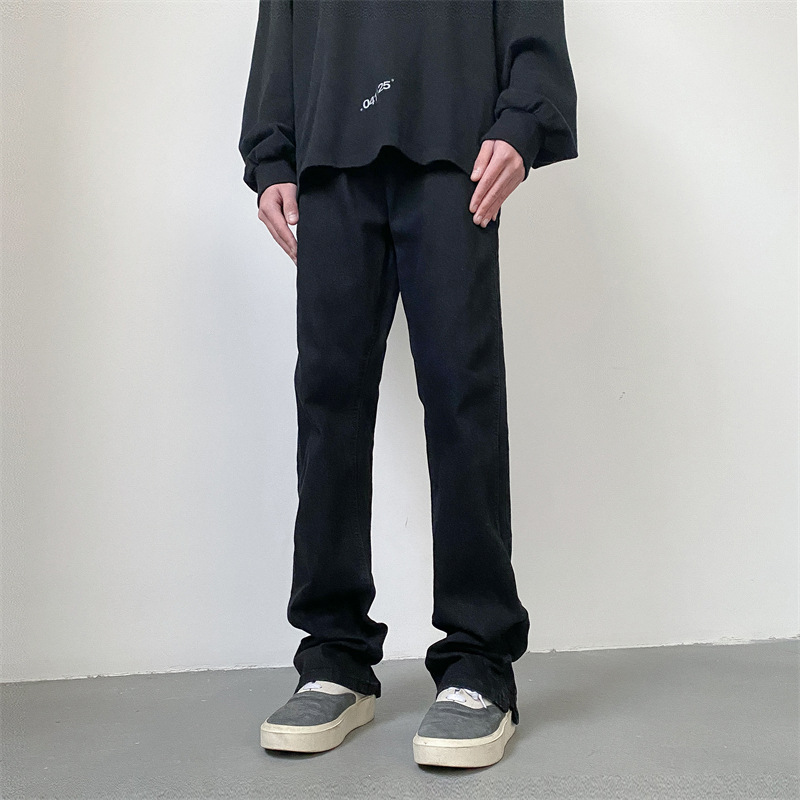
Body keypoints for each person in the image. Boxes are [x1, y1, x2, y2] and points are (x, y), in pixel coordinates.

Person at [238, 0, 578, 769]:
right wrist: (271, 150)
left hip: (454, 144)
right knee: (328, 397)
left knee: (462, 393)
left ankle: (478, 663)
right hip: (331, 148)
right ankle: (333, 657)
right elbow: (282, 17)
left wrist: (525, 115)